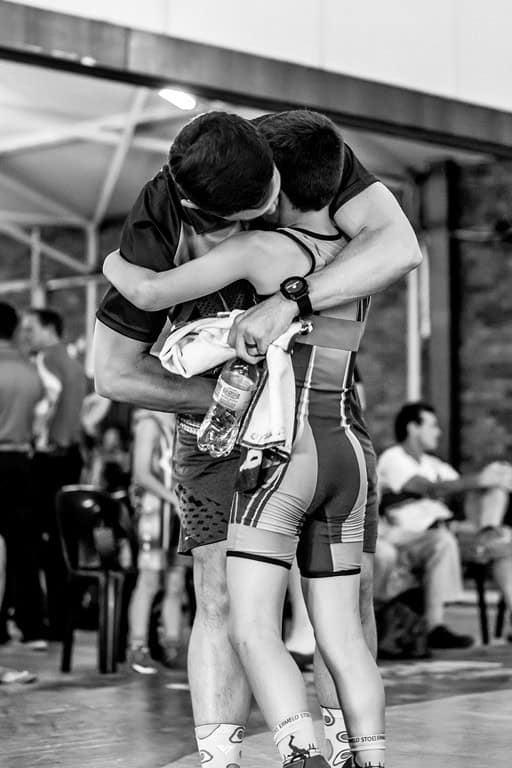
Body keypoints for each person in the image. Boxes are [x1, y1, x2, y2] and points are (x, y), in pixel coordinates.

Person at [94, 109, 420, 768]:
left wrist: (288, 302)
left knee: (289, 613)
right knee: (226, 594)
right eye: (253, 212)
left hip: (311, 423)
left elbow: (401, 245)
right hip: (263, 428)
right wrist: (233, 403)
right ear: (200, 213)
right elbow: (114, 373)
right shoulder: (162, 215)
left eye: (275, 197)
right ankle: (279, 758)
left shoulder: (295, 150)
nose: (275, 210)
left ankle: (316, 753)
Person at [376, 401, 512, 648]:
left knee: (504, 539)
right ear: (413, 428)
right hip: (412, 536)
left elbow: (464, 488)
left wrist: (496, 479)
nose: (438, 432)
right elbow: (430, 488)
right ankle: (434, 626)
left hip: (448, 530)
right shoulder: (393, 458)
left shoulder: (435, 464)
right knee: (445, 539)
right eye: (432, 425)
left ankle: (488, 532)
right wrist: (481, 479)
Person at [21, 308, 87, 641]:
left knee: (34, 541)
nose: (25, 336)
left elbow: (47, 402)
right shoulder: (74, 363)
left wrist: (37, 436)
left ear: (49, 329)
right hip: (71, 457)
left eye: (30, 329)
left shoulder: (45, 359)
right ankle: (64, 621)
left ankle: (37, 621)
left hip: (49, 458)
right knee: (63, 541)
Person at [127, 408, 188, 673]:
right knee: (149, 580)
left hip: (178, 513)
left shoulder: (180, 421)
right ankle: (138, 647)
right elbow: (140, 474)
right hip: (155, 512)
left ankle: (173, 647)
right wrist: (172, 498)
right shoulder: (149, 423)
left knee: (176, 582)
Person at [0, 301, 47, 650]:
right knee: (23, 546)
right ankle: (31, 626)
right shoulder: (31, 371)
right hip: (20, 463)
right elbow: (40, 423)